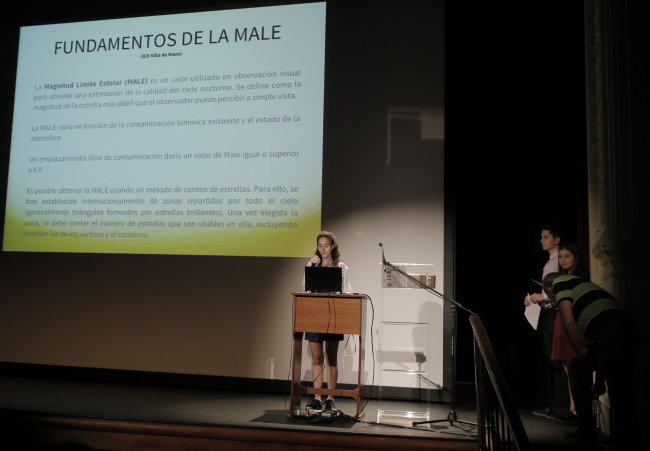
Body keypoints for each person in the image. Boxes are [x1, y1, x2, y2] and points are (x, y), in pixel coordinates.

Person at [542, 272, 640, 448]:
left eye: (552, 299)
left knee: (619, 388)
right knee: (578, 367)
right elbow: (598, 344)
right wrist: (599, 380)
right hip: (613, 329)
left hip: (612, 328)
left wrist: (579, 351)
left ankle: (628, 441)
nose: (554, 302)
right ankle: (587, 428)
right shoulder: (581, 287)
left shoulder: (560, 283)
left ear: (550, 289)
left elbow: (568, 321)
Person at [523, 225, 571, 422]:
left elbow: (555, 291)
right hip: (550, 313)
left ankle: (562, 407)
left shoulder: (558, 260)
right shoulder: (550, 261)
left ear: (556, 239)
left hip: (556, 313)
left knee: (558, 360)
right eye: (541, 237)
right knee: (554, 360)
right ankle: (558, 405)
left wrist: (538, 297)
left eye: (545, 237)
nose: (541, 240)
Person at [302, 231, 352, 412]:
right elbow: (304, 289)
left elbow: (348, 291)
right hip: (315, 315)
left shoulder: (341, 267)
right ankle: (317, 397)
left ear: (332, 247)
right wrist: (310, 265)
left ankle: (330, 398)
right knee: (317, 358)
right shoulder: (313, 265)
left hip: (334, 316)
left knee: (331, 359)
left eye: (326, 246)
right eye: (320, 246)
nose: (323, 249)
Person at [551, 243, 588, 421]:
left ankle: (579, 410)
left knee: (576, 365)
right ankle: (573, 408)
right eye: (561, 257)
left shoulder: (580, 276)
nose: (563, 260)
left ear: (575, 257)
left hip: (573, 319)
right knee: (567, 366)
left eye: (567, 256)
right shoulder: (560, 278)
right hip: (561, 320)